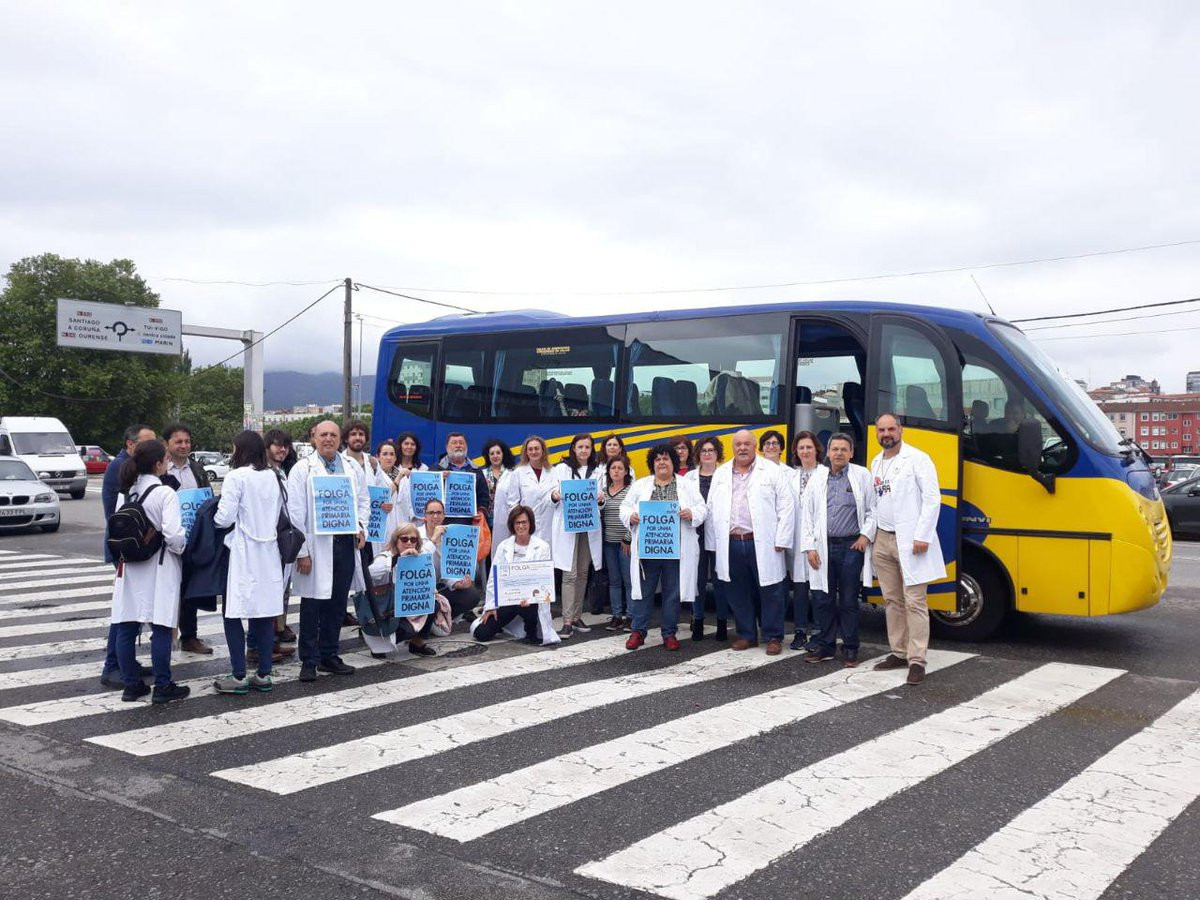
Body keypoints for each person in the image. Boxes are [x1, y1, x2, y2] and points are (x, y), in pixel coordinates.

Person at [287, 418, 370, 682]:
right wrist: (303, 552)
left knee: (336, 604)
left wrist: (360, 527)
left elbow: (363, 501)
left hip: (344, 544)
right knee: (312, 605)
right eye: (323, 435)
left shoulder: (351, 468)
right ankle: (309, 660)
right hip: (316, 546)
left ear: (340, 439)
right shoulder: (303, 469)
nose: (328, 439)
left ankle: (329, 655)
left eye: (333, 435)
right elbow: (295, 513)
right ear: (314, 438)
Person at [109, 439, 190, 704]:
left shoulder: (128, 490)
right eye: (165, 459)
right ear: (157, 464)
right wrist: (183, 547)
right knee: (162, 626)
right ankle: (163, 685)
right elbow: (173, 534)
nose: (167, 462)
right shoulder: (164, 493)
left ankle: (131, 685)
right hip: (160, 566)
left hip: (130, 567)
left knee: (127, 624)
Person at [869, 413, 946, 686]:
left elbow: (932, 498)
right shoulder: (877, 462)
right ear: (876, 433)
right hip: (884, 539)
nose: (886, 433)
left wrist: (922, 535)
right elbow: (876, 501)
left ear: (900, 430)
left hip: (911, 540)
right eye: (881, 430)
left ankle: (917, 660)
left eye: (891, 428)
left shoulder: (918, 459)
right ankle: (898, 652)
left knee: (914, 601)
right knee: (892, 600)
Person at [706, 429, 795, 655]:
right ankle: (747, 634)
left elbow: (786, 506)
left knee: (771, 590)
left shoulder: (771, 471)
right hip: (731, 542)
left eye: (747, 444)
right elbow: (711, 508)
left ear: (755, 446)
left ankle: (773, 636)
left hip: (763, 542)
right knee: (736, 590)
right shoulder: (721, 473)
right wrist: (713, 545)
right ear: (732, 447)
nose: (742, 448)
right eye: (738, 444)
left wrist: (782, 538)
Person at [212, 431, 284, 694]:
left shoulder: (236, 476)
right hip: (269, 551)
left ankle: (239, 675)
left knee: (232, 611)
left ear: (240, 450)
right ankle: (264, 673)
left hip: (242, 552)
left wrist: (210, 518)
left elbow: (225, 517)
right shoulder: (273, 476)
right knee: (264, 614)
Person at [620, 444, 707, 652]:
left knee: (672, 594)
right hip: (648, 549)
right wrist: (630, 516)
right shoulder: (641, 485)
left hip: (675, 549)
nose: (661, 463)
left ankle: (669, 633)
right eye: (658, 459)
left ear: (673, 463)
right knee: (643, 592)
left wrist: (691, 513)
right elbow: (624, 506)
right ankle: (638, 631)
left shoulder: (686, 485)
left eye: (666, 459)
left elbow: (702, 508)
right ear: (652, 463)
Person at [800, 433, 876, 667]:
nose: (839, 453)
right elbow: (807, 515)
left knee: (849, 600)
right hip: (823, 546)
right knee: (823, 598)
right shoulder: (818, 478)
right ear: (829, 452)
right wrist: (809, 547)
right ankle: (826, 646)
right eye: (835, 449)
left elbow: (873, 509)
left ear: (851, 453)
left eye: (844, 449)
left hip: (851, 546)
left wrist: (865, 535)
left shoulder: (861, 475)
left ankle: (851, 648)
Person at [99, 423, 156, 690]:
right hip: (126, 548)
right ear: (131, 445)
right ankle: (113, 665)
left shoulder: (134, 468)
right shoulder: (120, 468)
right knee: (124, 611)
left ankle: (126, 662)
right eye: (146, 444)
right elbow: (117, 516)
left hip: (131, 548)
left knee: (132, 609)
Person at [162, 422, 215, 655]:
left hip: (194, 537)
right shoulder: (161, 469)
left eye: (187, 441)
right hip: (168, 539)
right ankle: (163, 633)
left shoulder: (197, 468)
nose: (184, 446)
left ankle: (189, 636)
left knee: (190, 588)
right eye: (178, 442)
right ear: (167, 444)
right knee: (168, 588)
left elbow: (208, 498)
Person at [473, 505, 553, 644]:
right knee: (481, 634)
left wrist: (530, 597)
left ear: (530, 524)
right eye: (517, 523)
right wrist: (490, 606)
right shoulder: (504, 546)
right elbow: (494, 577)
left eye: (524, 522)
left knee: (532, 621)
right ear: (512, 525)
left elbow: (543, 580)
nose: (521, 526)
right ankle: (500, 625)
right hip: (507, 600)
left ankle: (531, 631)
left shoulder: (542, 547)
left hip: (531, 601)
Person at [550, 433, 604, 637]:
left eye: (587, 447)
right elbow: (553, 492)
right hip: (568, 526)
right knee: (569, 574)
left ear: (592, 450)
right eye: (580, 446)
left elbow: (602, 497)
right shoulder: (561, 468)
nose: (583, 450)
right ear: (573, 448)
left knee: (583, 572)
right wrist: (555, 494)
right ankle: (566, 621)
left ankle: (576, 615)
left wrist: (601, 498)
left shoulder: (598, 471)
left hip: (588, 527)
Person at [366, 523, 440, 657]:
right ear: (396, 540)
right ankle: (380, 644)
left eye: (413, 539)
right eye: (404, 539)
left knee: (433, 604)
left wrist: (429, 591)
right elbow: (371, 572)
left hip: (408, 608)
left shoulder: (419, 557)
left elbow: (428, 553)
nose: (409, 543)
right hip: (388, 611)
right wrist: (398, 558)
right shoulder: (385, 557)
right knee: (406, 629)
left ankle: (417, 643)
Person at [686, 435, 728, 641]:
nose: (707, 454)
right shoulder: (689, 479)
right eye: (704, 451)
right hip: (695, 533)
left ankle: (721, 623)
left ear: (717, 454)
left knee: (720, 580)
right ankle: (698, 621)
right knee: (698, 580)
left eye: (711, 450)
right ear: (698, 455)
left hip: (719, 534)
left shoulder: (726, 476)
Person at [787, 430, 824, 649]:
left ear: (816, 449)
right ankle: (800, 631)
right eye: (801, 447)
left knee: (819, 589)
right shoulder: (790, 476)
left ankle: (819, 631)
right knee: (799, 589)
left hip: (818, 541)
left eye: (809, 447)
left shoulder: (826, 474)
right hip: (797, 539)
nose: (805, 451)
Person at [491, 435, 557, 553]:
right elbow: (512, 503)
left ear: (543, 451)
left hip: (549, 525)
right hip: (527, 527)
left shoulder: (553, 471)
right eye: (530, 449)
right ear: (526, 452)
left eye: (537, 448)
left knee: (548, 561)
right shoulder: (518, 473)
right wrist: (521, 523)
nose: (534, 452)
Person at [421, 498, 482, 624]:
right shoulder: (415, 534)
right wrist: (433, 539)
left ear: (444, 516)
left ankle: (443, 619)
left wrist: (456, 583)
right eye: (431, 513)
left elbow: (447, 569)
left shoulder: (450, 536)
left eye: (439, 513)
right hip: (422, 589)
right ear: (425, 516)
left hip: (441, 587)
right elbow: (420, 563)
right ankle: (426, 622)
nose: (435, 516)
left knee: (472, 595)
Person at [264, 429, 299, 647]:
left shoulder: (282, 471)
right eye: (277, 445)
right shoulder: (266, 473)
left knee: (282, 589)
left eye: (285, 446)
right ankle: (264, 643)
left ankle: (276, 632)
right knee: (270, 592)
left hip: (284, 540)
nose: (282, 449)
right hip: (270, 540)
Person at [599, 455, 633, 631]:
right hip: (608, 543)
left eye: (620, 468)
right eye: (613, 468)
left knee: (629, 580)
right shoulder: (602, 492)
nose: (616, 471)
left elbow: (635, 516)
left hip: (625, 543)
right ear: (609, 471)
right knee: (614, 581)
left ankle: (631, 616)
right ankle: (617, 616)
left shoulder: (631, 490)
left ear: (626, 471)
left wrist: (628, 537)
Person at [437, 432, 491, 527]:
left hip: (469, 524)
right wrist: (438, 480)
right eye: (454, 443)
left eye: (461, 443)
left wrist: (481, 512)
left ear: (466, 446)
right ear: (447, 447)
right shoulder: (436, 469)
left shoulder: (476, 470)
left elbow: (484, 496)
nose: (458, 445)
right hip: (443, 524)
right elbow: (430, 497)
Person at [481, 438, 516, 526]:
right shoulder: (482, 474)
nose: (495, 456)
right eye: (492, 453)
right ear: (488, 456)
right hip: (486, 520)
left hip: (506, 519)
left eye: (498, 453)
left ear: (503, 454)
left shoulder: (512, 474)